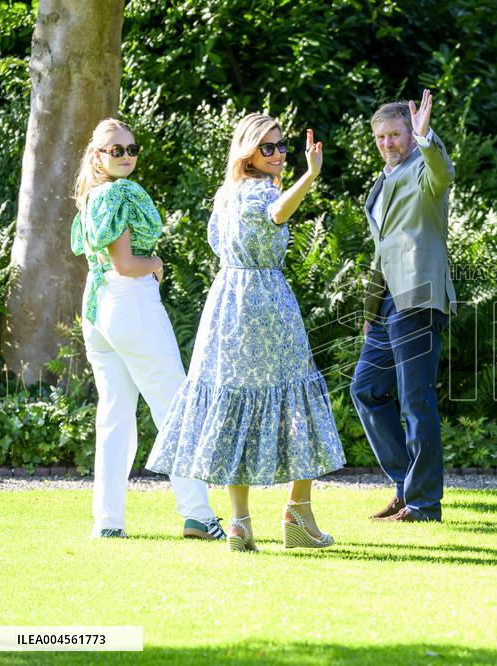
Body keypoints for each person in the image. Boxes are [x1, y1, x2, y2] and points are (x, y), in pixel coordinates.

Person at [147, 113, 345, 552]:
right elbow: (277, 212)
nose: (277, 154)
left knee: (236, 399)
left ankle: (239, 522)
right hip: (265, 301)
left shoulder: (226, 194)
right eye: (267, 148)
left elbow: (219, 243)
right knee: (296, 397)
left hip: (226, 303)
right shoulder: (260, 193)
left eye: (280, 146)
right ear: (248, 152)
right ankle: (298, 513)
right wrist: (310, 176)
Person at [70, 118, 224, 540]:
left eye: (131, 149)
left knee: (116, 416)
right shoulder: (118, 193)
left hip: (97, 308)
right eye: (115, 150)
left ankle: (108, 522)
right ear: (98, 156)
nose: (125, 156)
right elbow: (125, 264)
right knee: (175, 406)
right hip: (129, 301)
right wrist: (155, 264)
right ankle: (197, 513)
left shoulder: (91, 195)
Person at [350, 89, 456, 522]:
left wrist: (427, 136)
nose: (389, 143)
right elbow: (383, 248)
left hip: (418, 295)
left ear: (410, 135)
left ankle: (424, 503)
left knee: (415, 400)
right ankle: (405, 484)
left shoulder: (424, 172)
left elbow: (443, 173)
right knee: (366, 389)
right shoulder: (384, 179)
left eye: (396, 135)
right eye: (381, 137)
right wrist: (370, 310)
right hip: (386, 302)